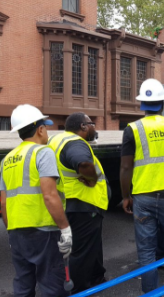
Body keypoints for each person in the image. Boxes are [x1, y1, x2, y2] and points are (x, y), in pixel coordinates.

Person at [119, 78, 164, 296]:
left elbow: (125, 167)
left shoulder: (133, 129)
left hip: (144, 197)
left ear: (142, 104)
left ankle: (151, 294)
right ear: (162, 103)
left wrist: (125, 197)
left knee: (147, 251)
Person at [0, 104, 71, 296]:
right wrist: (65, 229)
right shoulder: (43, 152)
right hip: (43, 231)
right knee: (52, 286)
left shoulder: (6, 159)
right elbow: (49, 195)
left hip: (16, 232)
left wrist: (10, 232)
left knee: (23, 285)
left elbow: (4, 203)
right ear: (40, 129)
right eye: (46, 127)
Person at [47, 112, 108, 293]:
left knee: (92, 247)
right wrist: (93, 178)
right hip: (83, 204)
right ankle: (80, 290)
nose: (94, 128)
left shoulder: (56, 140)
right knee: (81, 254)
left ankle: (97, 278)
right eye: (92, 124)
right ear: (83, 126)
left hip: (70, 203)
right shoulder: (74, 142)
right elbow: (83, 163)